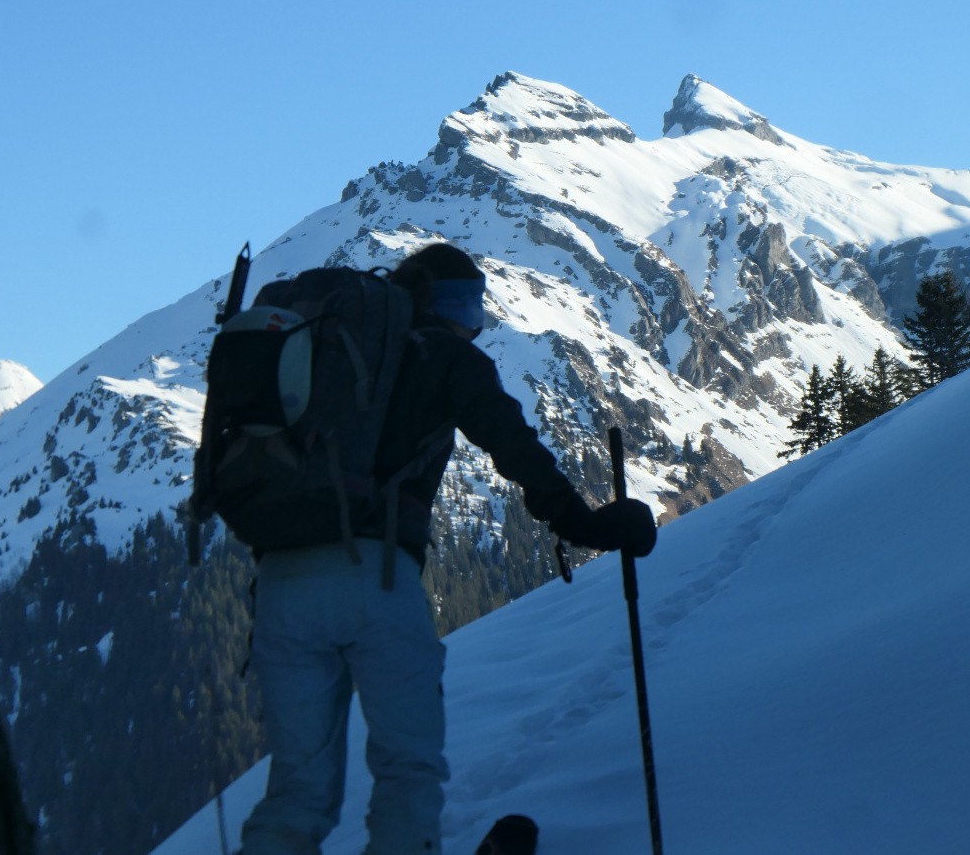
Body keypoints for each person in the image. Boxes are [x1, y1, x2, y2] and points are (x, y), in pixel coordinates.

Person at [238, 242, 657, 855]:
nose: (472, 315)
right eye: (464, 299)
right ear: (435, 301)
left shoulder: (321, 350)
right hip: (377, 578)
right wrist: (585, 523)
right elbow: (512, 445)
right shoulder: (443, 355)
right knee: (407, 770)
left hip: (279, 581)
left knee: (296, 793)